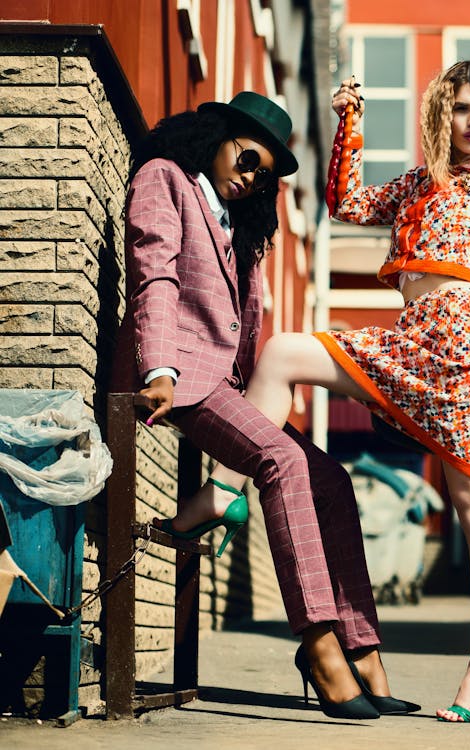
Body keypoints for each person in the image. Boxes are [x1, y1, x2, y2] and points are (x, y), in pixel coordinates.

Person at [187, 58, 470, 722]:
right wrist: (350, 123)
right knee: (283, 354)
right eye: (459, 109)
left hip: (467, 351)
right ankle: (224, 493)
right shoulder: (419, 183)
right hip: (409, 337)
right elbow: (346, 204)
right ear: (442, 115)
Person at [111, 91, 417, 721]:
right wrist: (159, 369)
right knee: (282, 459)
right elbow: (154, 275)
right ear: (217, 136)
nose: (249, 175)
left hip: (225, 387)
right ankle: (317, 645)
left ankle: (363, 649)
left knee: (332, 479)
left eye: (262, 173)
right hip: (176, 379)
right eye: (245, 156)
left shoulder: (238, 225)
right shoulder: (165, 178)